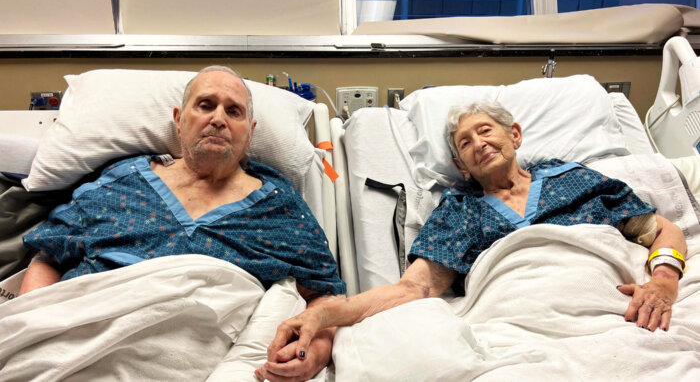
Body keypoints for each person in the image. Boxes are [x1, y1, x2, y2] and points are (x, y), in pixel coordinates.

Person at [262, 100, 687, 373]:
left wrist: (664, 282)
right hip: (517, 324)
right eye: (464, 143)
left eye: (486, 131)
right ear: (461, 166)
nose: (478, 143)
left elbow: (659, 230)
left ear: (514, 136)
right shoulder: (458, 210)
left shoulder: (576, 178)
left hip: (614, 312)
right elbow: (415, 287)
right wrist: (323, 315)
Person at [19, 65, 345, 382]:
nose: (218, 119)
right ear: (178, 120)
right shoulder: (121, 182)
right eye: (206, 105)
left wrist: (311, 357)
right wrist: (31, 327)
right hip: (81, 350)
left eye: (234, 112)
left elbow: (327, 297)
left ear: (250, 134)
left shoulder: (279, 205)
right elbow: (49, 256)